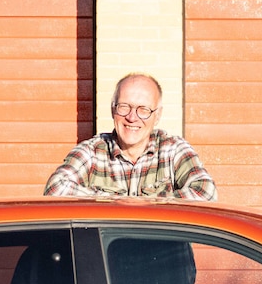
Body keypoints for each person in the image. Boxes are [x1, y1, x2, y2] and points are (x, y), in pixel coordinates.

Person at [43, 73, 217, 201]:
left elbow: (206, 192)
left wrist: (146, 205)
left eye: (143, 110)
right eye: (124, 107)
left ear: (157, 116)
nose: (132, 117)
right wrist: (118, 203)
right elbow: (55, 189)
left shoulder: (172, 150)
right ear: (113, 109)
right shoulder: (92, 152)